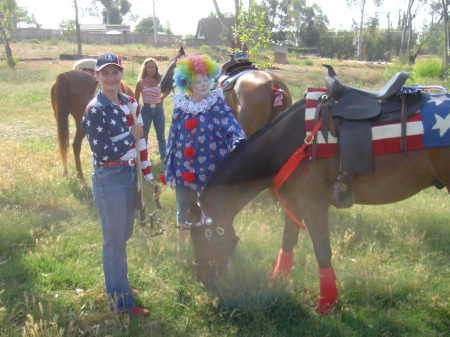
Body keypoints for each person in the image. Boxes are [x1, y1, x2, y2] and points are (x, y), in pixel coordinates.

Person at [81, 52, 161, 317]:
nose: (111, 77)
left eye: (115, 72)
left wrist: (148, 176)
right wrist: (131, 134)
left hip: (129, 176)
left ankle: (119, 285)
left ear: (121, 75)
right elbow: (104, 151)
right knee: (114, 241)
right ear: (97, 77)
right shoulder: (95, 109)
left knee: (124, 234)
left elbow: (141, 145)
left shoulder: (129, 102)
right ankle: (121, 304)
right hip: (109, 178)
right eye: (105, 73)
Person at [161, 54, 245, 250]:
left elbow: (232, 127)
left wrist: (238, 142)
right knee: (183, 211)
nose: (202, 84)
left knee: (213, 211)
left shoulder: (217, 105)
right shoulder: (181, 107)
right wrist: (170, 168)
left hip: (211, 168)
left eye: (206, 79)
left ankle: (214, 248)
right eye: (197, 81)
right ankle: (183, 250)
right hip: (184, 168)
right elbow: (173, 138)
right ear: (188, 83)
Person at [134, 58, 167, 162]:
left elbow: (168, 88)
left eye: (153, 67)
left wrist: (161, 99)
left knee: (161, 136)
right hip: (146, 110)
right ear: (145, 69)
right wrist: (138, 110)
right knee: (144, 136)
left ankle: (164, 159)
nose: (152, 69)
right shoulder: (140, 82)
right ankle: (144, 159)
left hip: (158, 109)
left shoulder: (160, 79)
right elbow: (136, 99)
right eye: (149, 67)